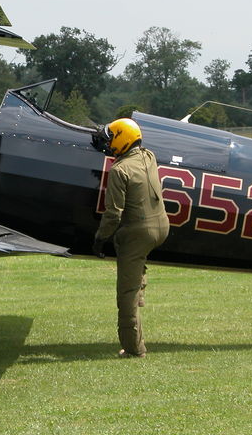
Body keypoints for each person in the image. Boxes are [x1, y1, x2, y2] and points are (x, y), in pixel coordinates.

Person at [93, 118, 169, 358]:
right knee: (136, 272)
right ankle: (139, 289)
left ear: (122, 139)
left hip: (139, 233)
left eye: (111, 139)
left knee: (126, 293)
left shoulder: (119, 170)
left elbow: (114, 214)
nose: (108, 145)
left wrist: (100, 238)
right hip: (162, 227)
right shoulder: (149, 156)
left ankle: (134, 349)